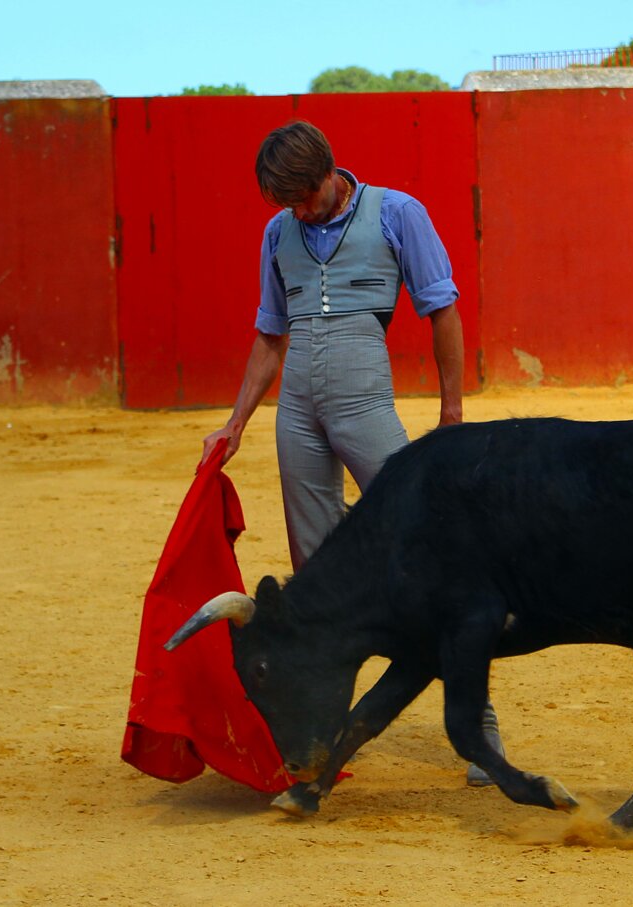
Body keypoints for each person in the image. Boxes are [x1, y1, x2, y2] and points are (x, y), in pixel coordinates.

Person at [200, 120, 501, 787]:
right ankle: (323, 729)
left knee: (427, 554)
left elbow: (442, 311)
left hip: (367, 407)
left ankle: (477, 722)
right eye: (287, 202)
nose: (297, 211)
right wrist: (236, 422)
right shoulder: (278, 233)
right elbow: (270, 336)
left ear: (330, 174)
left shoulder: (398, 213)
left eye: (304, 196)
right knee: (319, 577)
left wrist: (451, 413)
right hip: (297, 415)